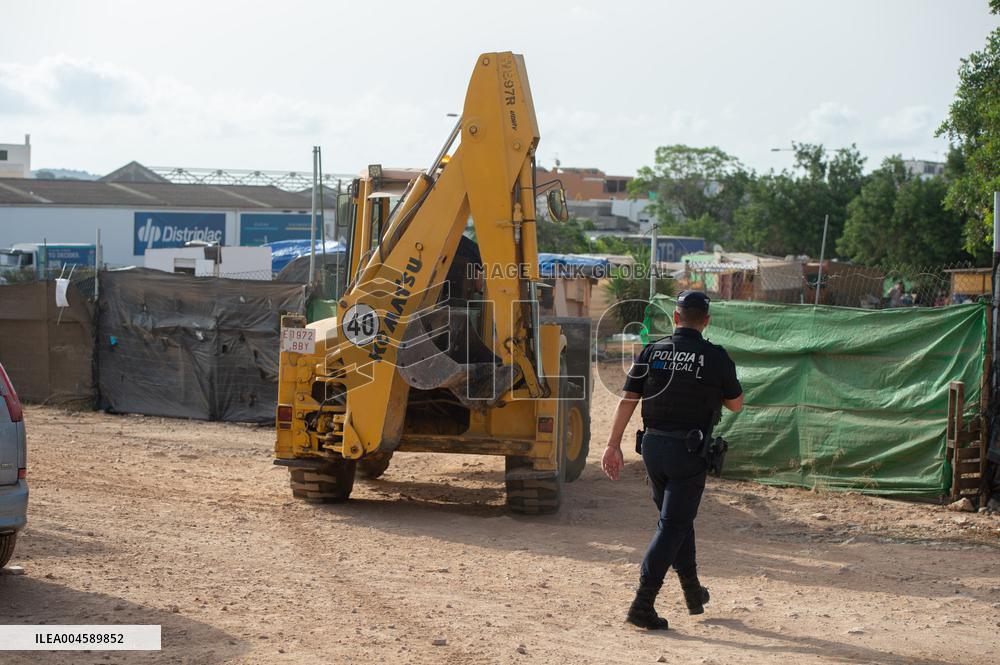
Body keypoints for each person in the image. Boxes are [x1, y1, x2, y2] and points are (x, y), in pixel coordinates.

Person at [602, 290, 743, 630]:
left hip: (652, 450)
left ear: (676, 318)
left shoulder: (653, 350)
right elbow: (736, 404)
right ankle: (642, 604)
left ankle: (693, 592)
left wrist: (612, 445)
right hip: (688, 453)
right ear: (705, 322)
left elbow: (627, 400)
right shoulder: (715, 356)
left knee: (677, 520)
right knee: (673, 525)